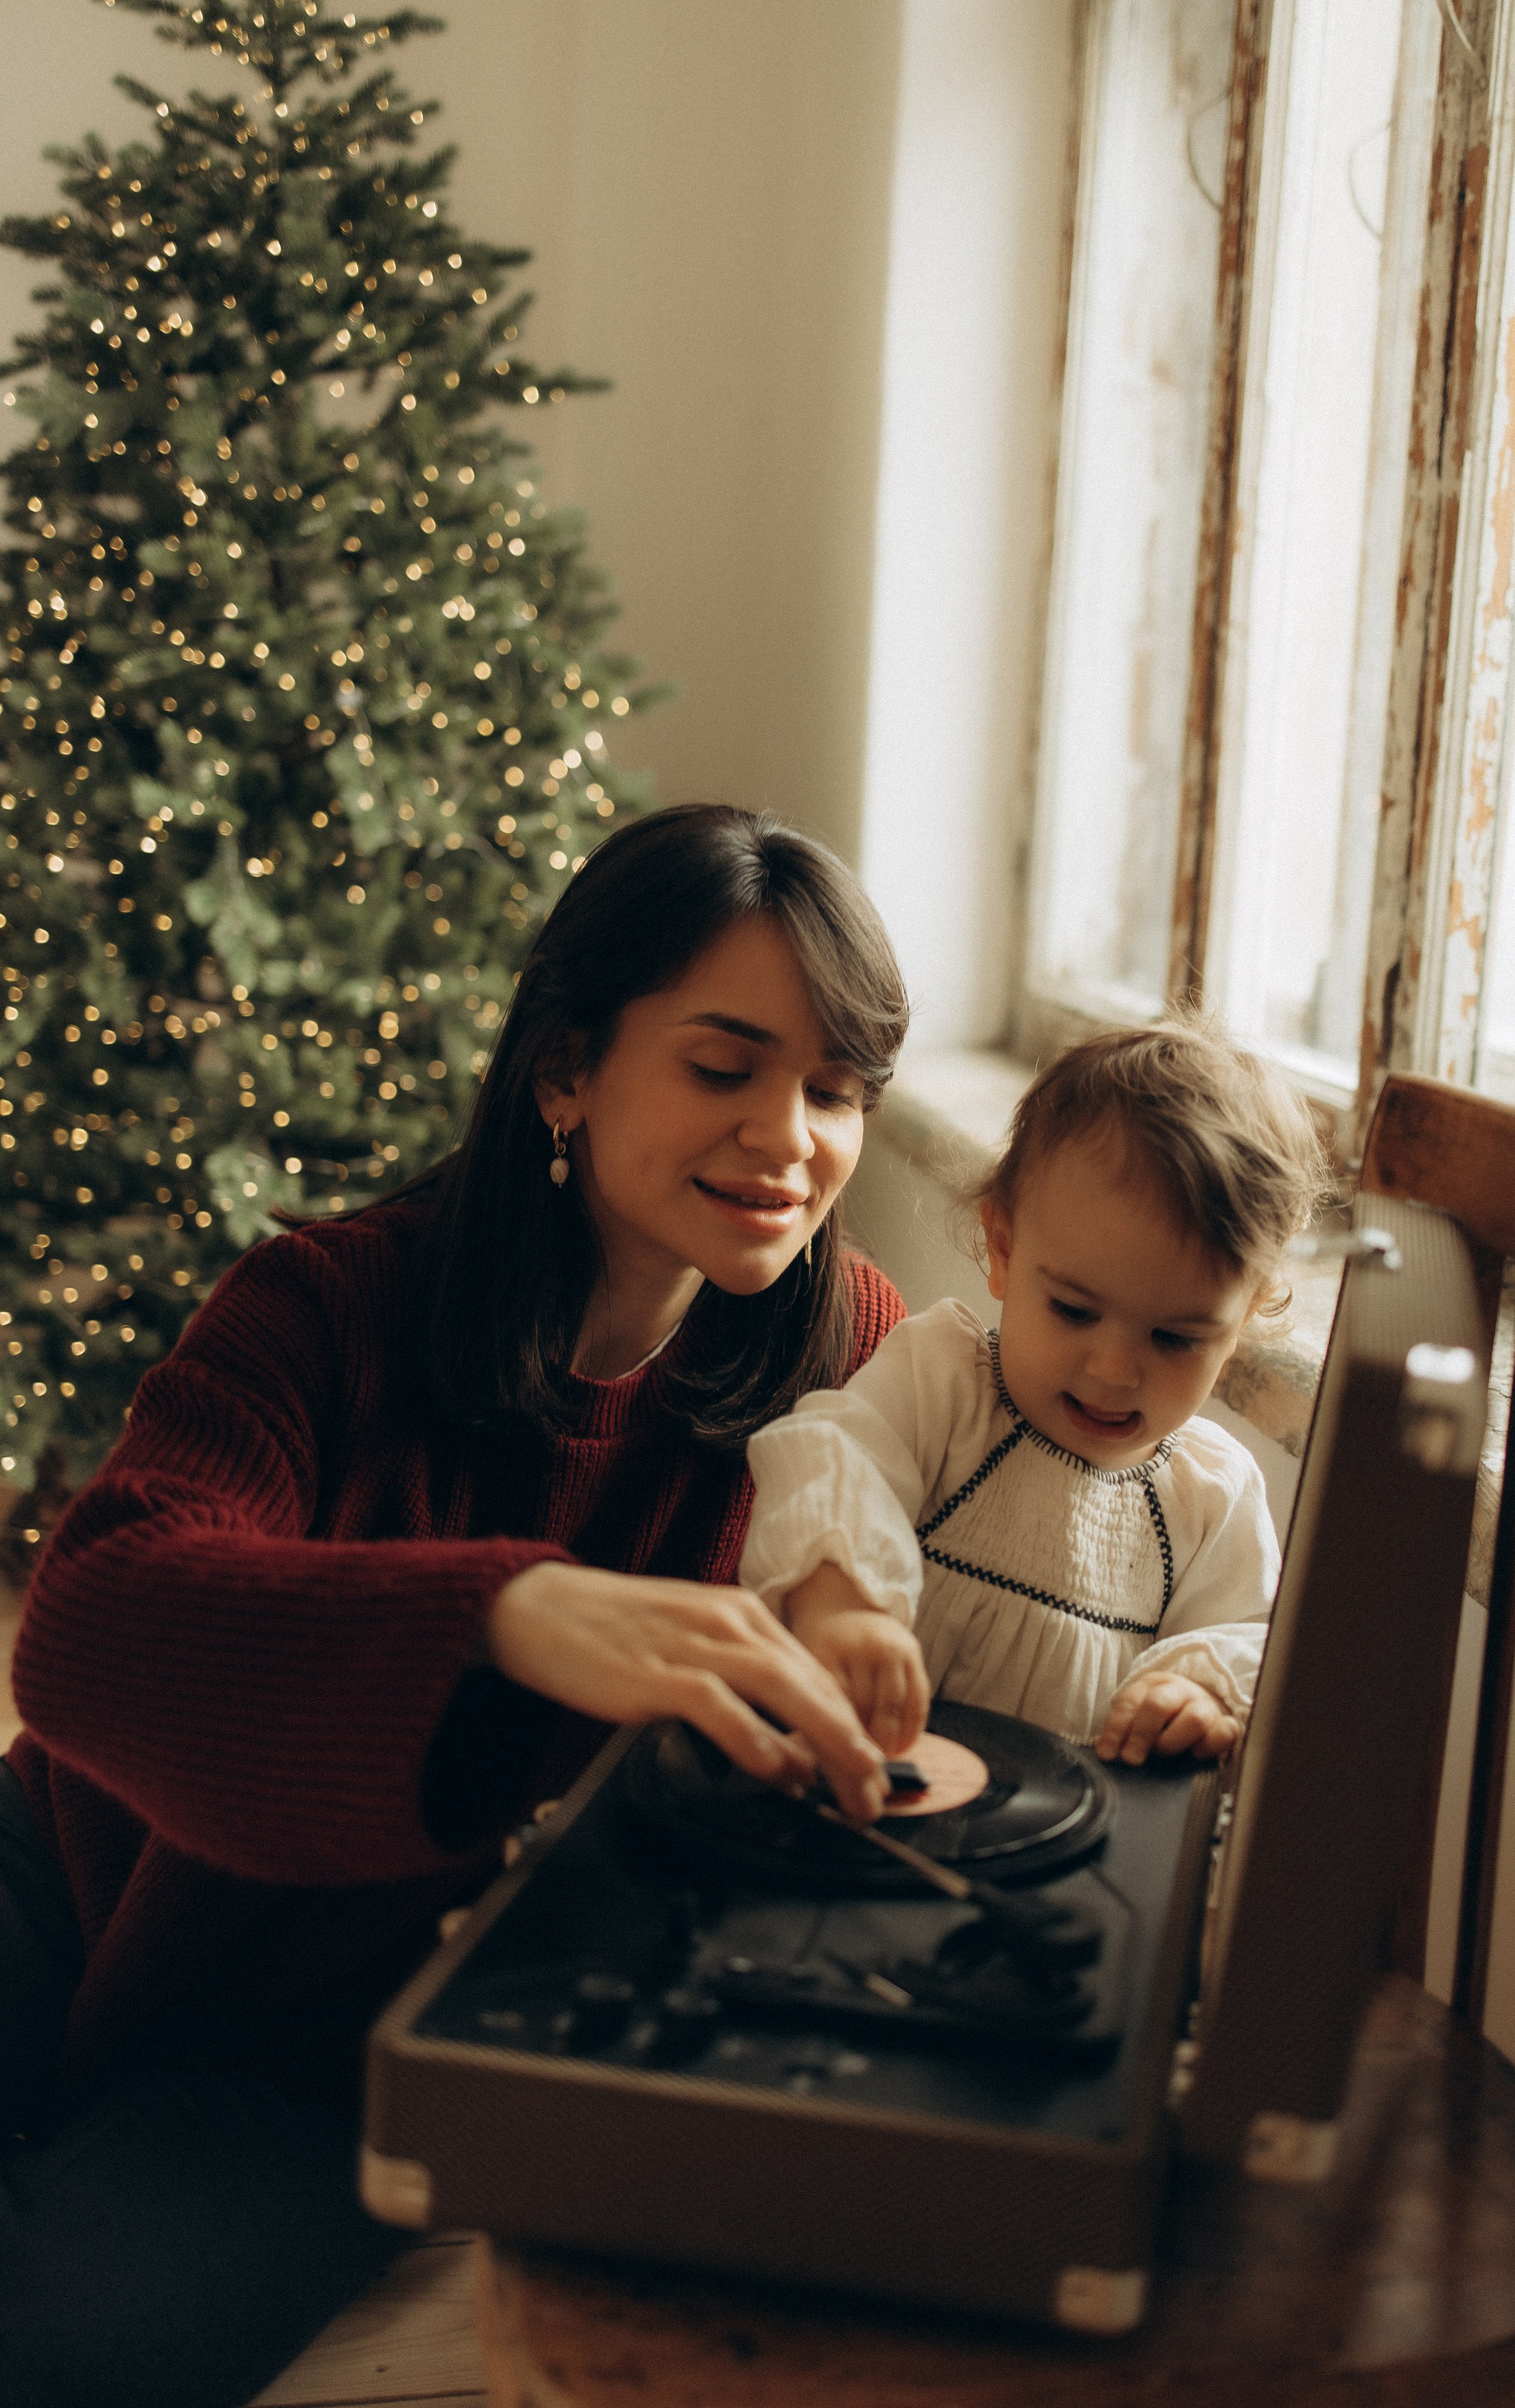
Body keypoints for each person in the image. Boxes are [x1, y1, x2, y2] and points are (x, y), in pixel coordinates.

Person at [0, 803, 910, 2408]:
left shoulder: (856, 1358)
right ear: (565, 1067)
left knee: (59, 2344)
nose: (792, 1138)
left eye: (835, 1091)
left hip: (368, 2035)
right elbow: (84, 1624)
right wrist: (509, 1615)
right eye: (723, 1067)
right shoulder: (326, 1307)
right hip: (76, 1880)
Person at [739, 1016, 1330, 1765]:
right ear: (1005, 1248)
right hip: (870, 1784)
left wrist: (1198, 1694)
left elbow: (1247, 1639)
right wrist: (842, 1602)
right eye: (1074, 1312)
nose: (1114, 1371)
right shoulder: (942, 1382)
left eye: (1176, 1339)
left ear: (1242, 1320)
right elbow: (834, 1462)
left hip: (1064, 1850)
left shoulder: (1212, 1498)